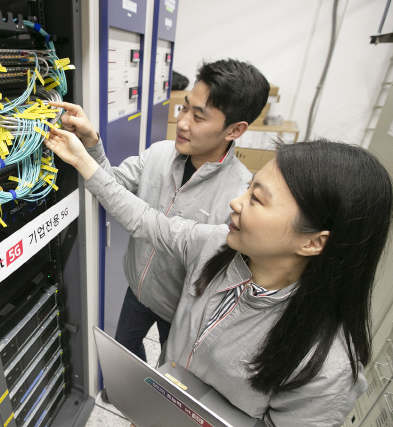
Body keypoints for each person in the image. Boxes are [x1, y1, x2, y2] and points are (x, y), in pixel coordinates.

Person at [44, 126, 393, 426]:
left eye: (256, 198)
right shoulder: (215, 246)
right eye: (249, 187)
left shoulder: (326, 367)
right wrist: (84, 159)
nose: (236, 202)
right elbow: (146, 221)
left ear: (313, 241)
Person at [49, 59, 269, 368]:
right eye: (185, 108)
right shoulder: (161, 153)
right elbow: (113, 186)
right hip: (137, 290)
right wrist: (92, 143)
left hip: (179, 311)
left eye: (199, 116)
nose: (182, 122)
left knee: (168, 378)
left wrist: (83, 160)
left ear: (235, 129)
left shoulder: (238, 195)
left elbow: (149, 225)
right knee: (125, 354)